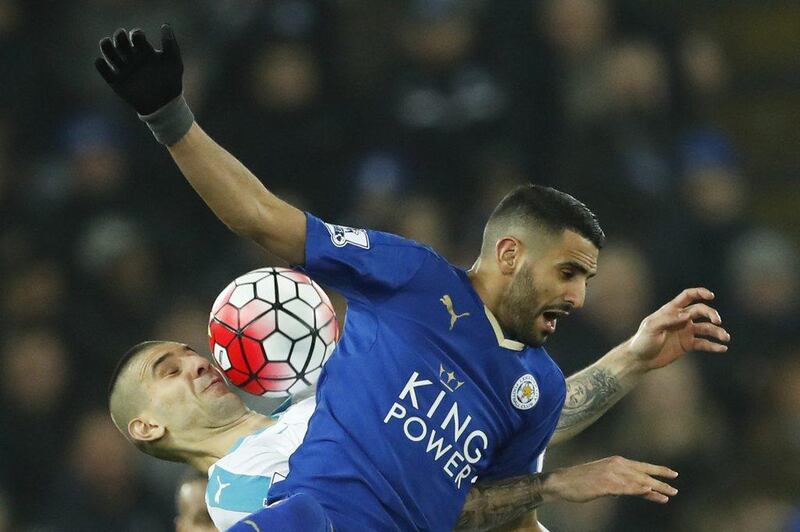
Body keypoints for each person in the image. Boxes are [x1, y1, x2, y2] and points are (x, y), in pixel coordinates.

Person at [96, 26, 729, 531]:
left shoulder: (510, 389)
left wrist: (632, 359)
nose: (579, 297)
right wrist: (171, 121)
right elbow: (262, 218)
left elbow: (487, 471)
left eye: (184, 354)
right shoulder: (242, 492)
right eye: (568, 272)